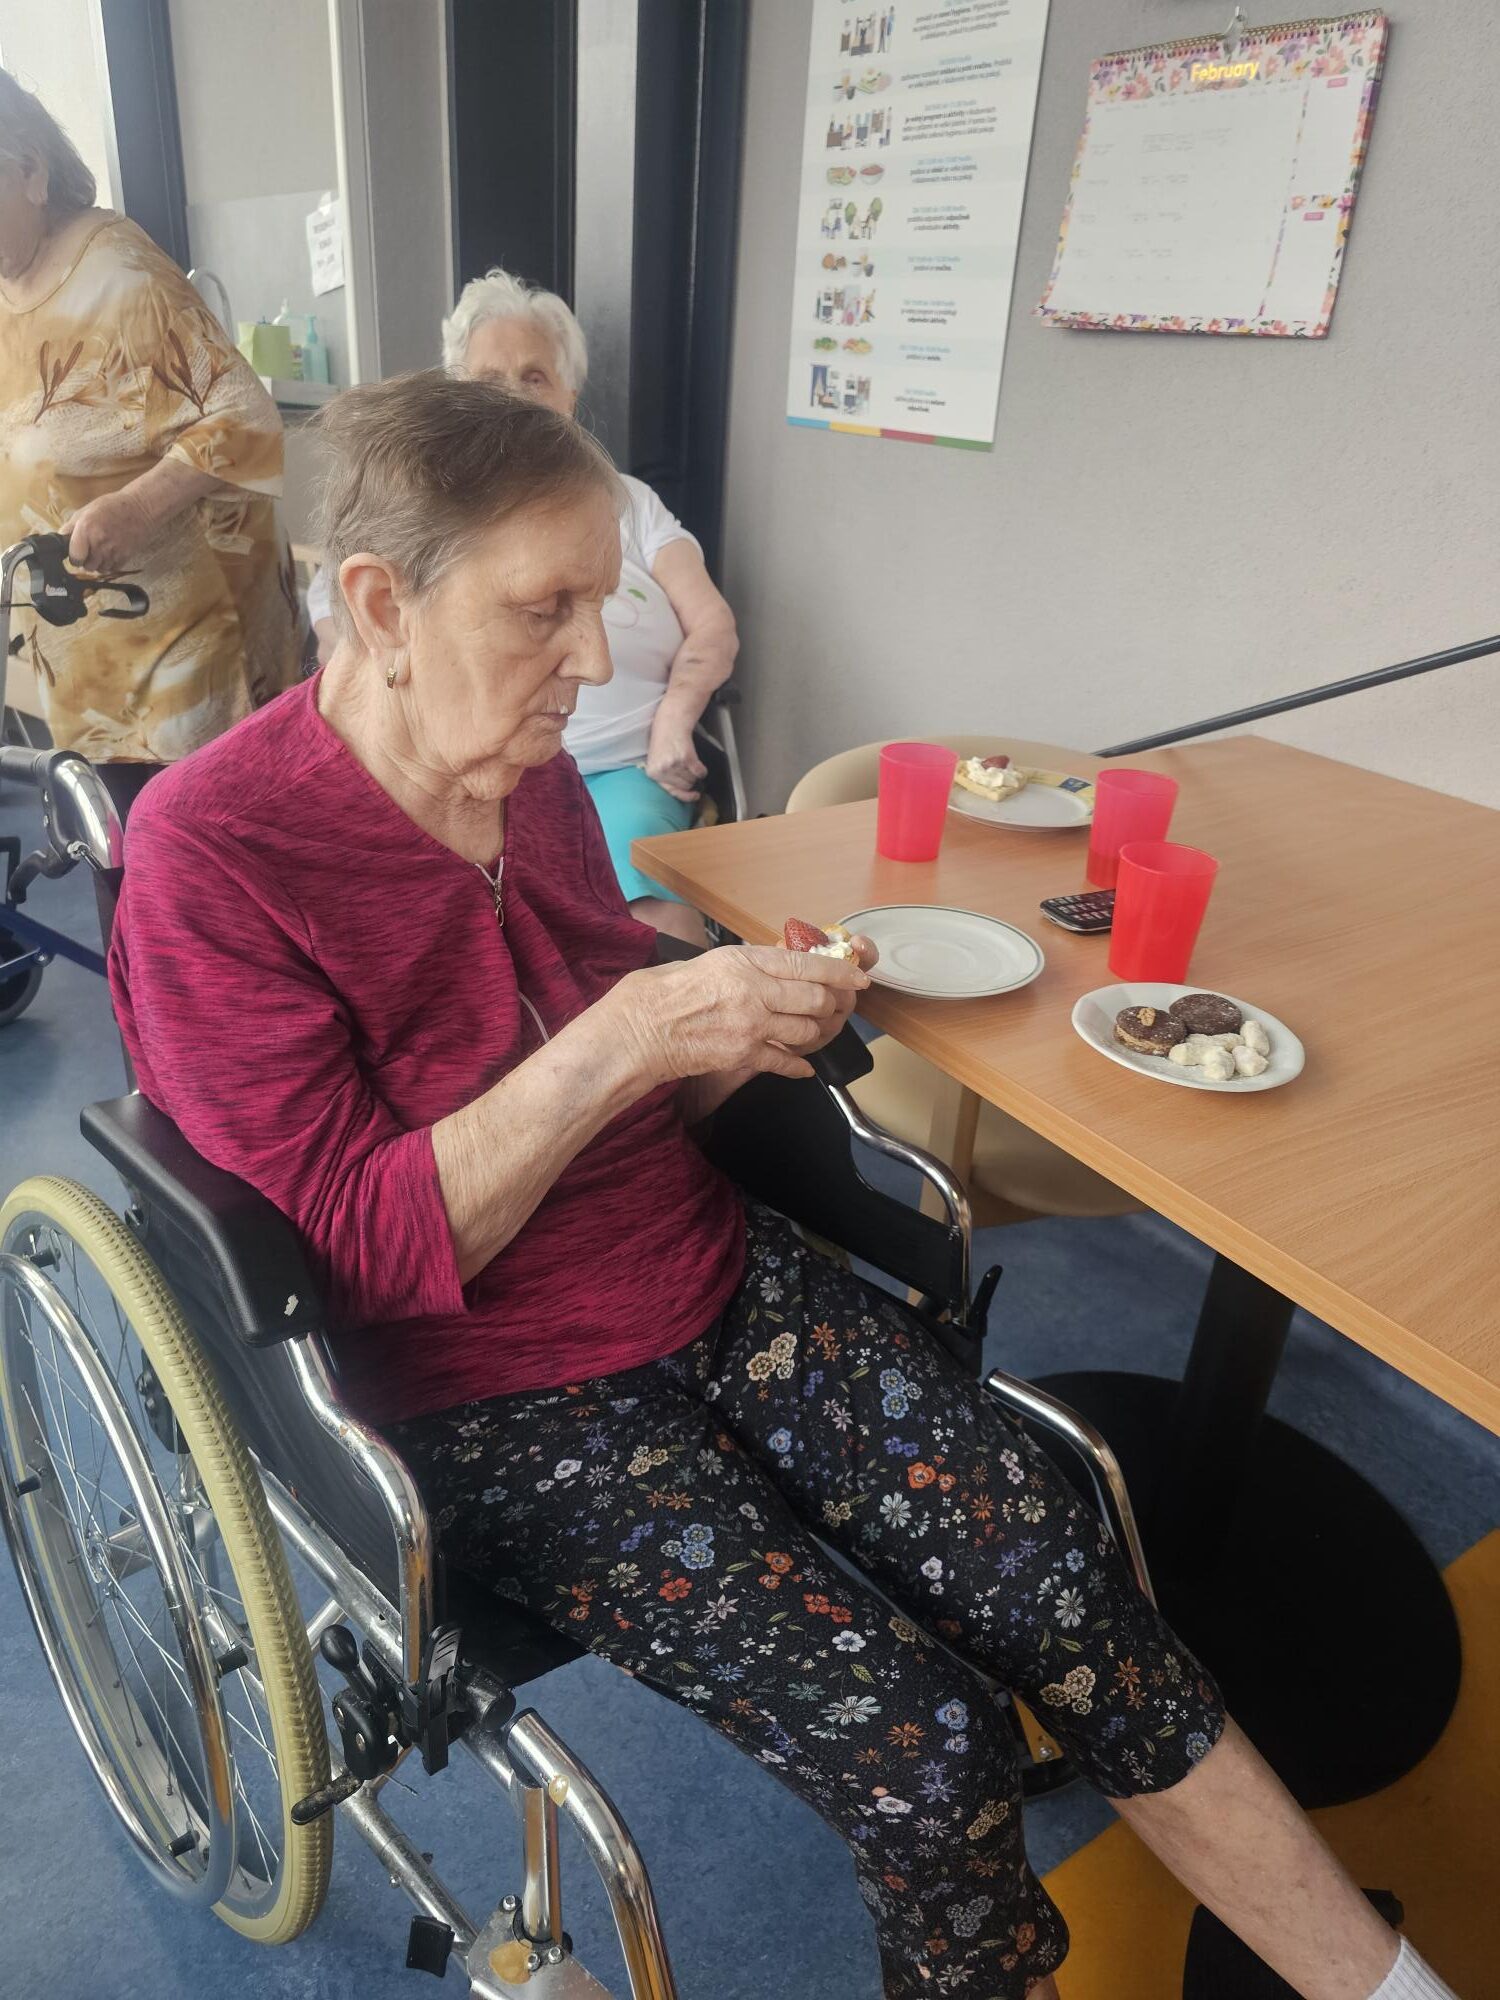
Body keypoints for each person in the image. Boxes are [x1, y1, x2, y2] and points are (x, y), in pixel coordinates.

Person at [110, 374, 1453, 2000]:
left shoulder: (525, 769)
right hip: (492, 1394)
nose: (595, 662)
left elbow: (608, 1012)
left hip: (705, 1269)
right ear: (384, 606)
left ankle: (1387, 1988)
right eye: (546, 610)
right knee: (926, 1744)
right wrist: (631, 1037)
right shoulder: (215, 855)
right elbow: (356, 1254)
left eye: (602, 603)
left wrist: (738, 1018)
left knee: (1065, 1566)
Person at [307, 267, 734, 947]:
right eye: (489, 379)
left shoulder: (629, 504)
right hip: (469, 777)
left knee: (649, 926)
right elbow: (349, 663)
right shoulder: (408, 520)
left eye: (534, 377)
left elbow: (711, 624)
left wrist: (675, 721)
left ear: (570, 395)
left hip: (617, 767)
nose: (512, 399)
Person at [0, 69, 300, 819]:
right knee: (115, 852)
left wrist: (135, 506)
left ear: (31, 171)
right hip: (85, 655)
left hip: (187, 657)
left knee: (201, 856)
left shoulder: (116, 275)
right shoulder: (8, 280)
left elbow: (245, 416)